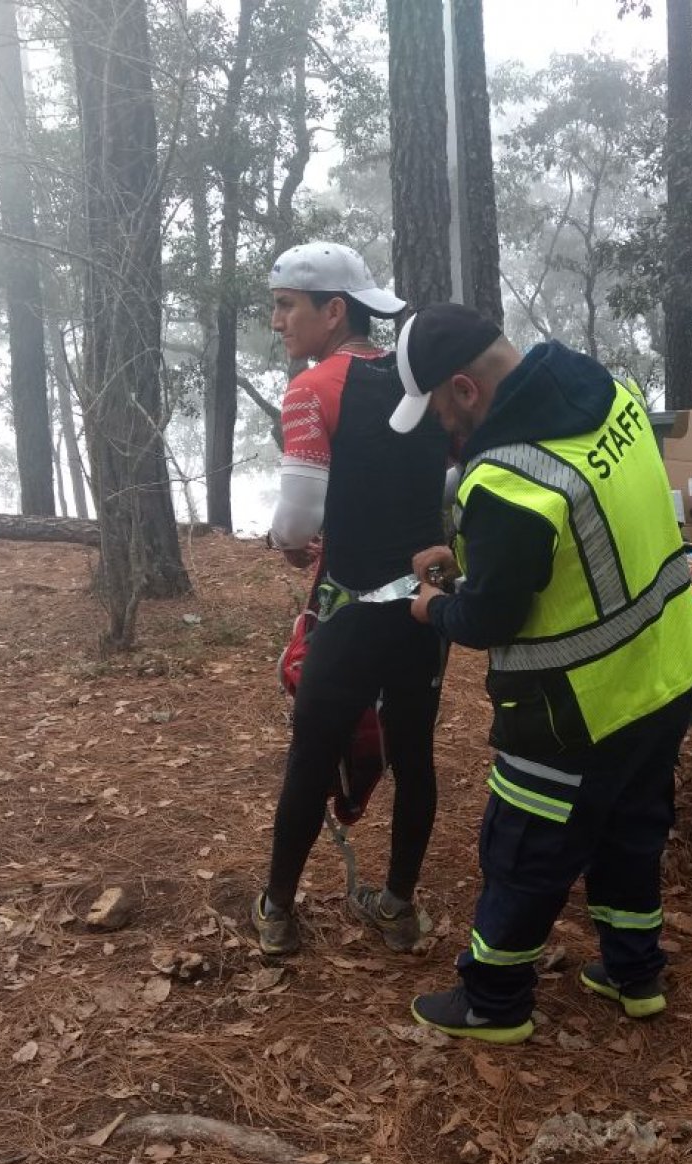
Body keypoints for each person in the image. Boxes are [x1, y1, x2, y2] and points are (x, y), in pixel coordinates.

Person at [391, 303, 692, 1043]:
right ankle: (635, 973)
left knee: (525, 848)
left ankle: (494, 999)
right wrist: (471, 561)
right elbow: (583, 539)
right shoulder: (609, 393)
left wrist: (434, 606)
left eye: (438, 410)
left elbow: (489, 621)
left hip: (572, 707)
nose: (442, 430)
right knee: (633, 827)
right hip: (665, 674)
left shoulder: (506, 480)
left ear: (464, 389)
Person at [253, 243, 450, 956]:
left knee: (312, 754)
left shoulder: (312, 388)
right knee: (415, 754)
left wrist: (287, 540)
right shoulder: (418, 379)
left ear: (333, 311)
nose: (277, 320)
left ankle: (276, 910)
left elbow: (299, 520)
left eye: (286, 304)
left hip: (354, 603)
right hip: (429, 604)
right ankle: (397, 906)